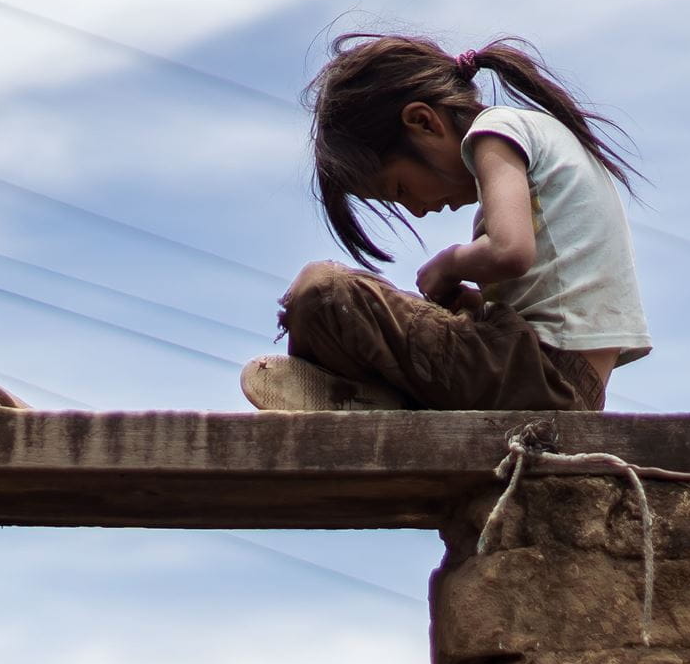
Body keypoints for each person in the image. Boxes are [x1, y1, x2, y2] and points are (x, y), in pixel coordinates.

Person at [241, 33, 649, 412]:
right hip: (555, 379)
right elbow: (548, 294)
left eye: (400, 189)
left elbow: (510, 251)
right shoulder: (535, 145)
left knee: (323, 293)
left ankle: (361, 397)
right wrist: (475, 307)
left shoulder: (497, 132)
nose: (417, 210)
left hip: (541, 373)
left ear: (424, 122)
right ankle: (375, 398)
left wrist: (449, 263)